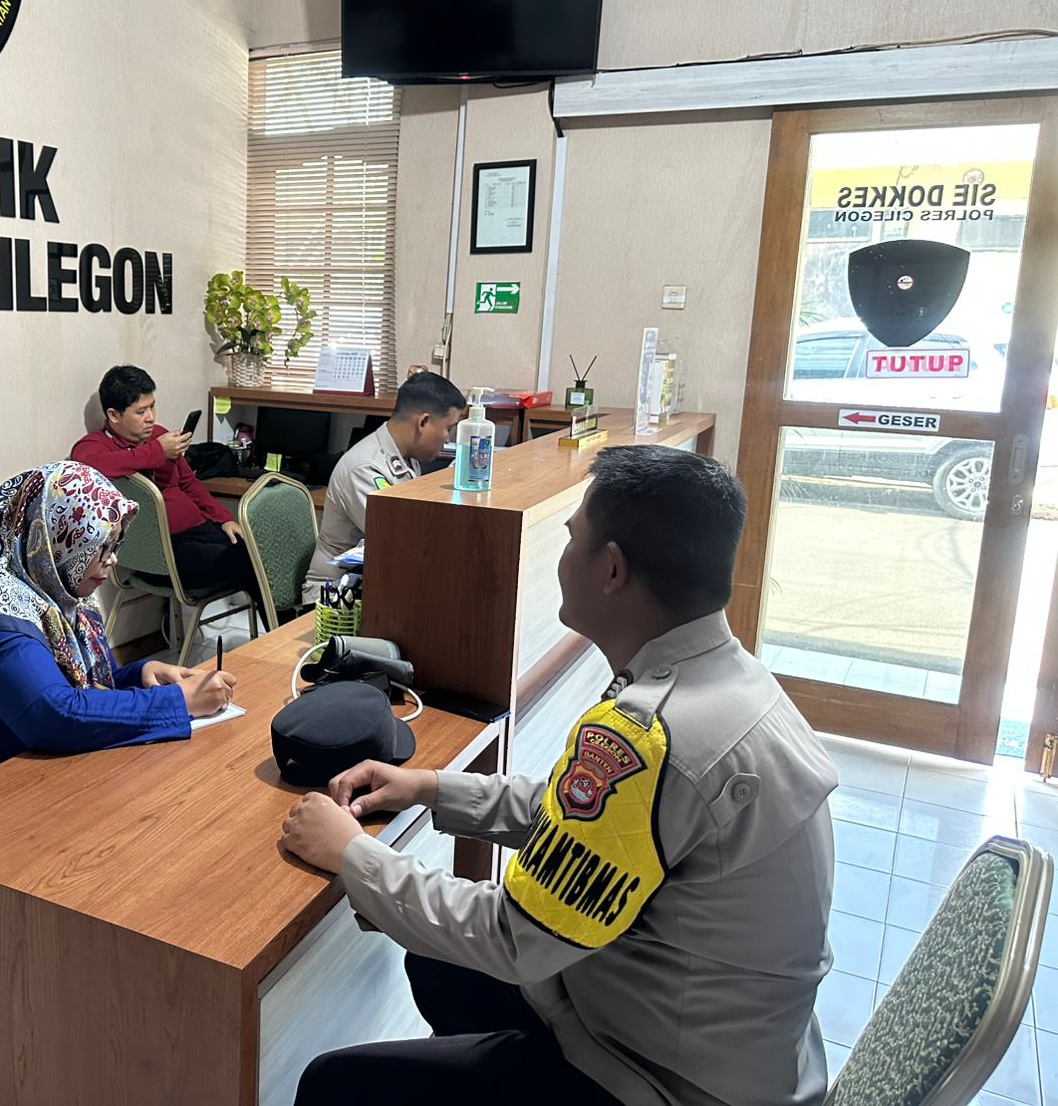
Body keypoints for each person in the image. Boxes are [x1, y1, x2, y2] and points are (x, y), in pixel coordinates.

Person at [279, 445, 839, 1106]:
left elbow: (511, 938)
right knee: (437, 963)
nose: (562, 555)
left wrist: (352, 855)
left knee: (333, 1085)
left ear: (611, 568)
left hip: (663, 1083)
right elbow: (591, 821)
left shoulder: (651, 733)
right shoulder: (731, 680)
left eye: (573, 538)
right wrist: (430, 787)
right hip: (710, 1042)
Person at [0, 462, 236, 826]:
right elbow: (55, 715)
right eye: (101, 546)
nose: (113, 560)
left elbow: (79, 688)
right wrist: (178, 701)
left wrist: (140, 675)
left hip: (13, 785)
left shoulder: (59, 590)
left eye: (115, 545)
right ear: (58, 536)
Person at [71, 364, 261, 602]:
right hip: (164, 552)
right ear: (114, 415)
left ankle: (285, 623)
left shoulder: (159, 436)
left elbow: (190, 484)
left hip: (200, 530)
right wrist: (157, 452)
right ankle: (283, 624)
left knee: (260, 553)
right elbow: (88, 465)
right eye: (141, 412)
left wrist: (224, 519)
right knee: (249, 564)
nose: (151, 418)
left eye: (152, 406)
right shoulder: (95, 446)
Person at [304, 372, 465, 601]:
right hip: (335, 597)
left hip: (374, 581)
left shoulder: (406, 458)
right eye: (448, 428)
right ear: (423, 422)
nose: (448, 438)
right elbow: (398, 540)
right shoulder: (365, 469)